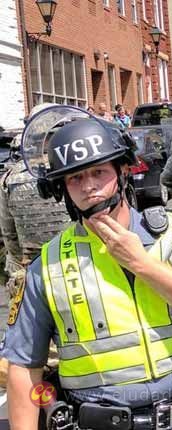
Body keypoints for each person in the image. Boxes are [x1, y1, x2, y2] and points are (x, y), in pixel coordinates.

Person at [3, 106, 172, 428]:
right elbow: (24, 368)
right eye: (75, 177)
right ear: (61, 189)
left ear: (123, 171)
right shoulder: (48, 265)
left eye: (99, 172)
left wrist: (140, 263)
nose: (89, 186)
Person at [0, 126, 69, 385]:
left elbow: (8, 233)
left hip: (29, 265)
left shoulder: (9, 179)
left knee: (29, 341)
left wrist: (20, 265)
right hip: (69, 259)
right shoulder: (61, 170)